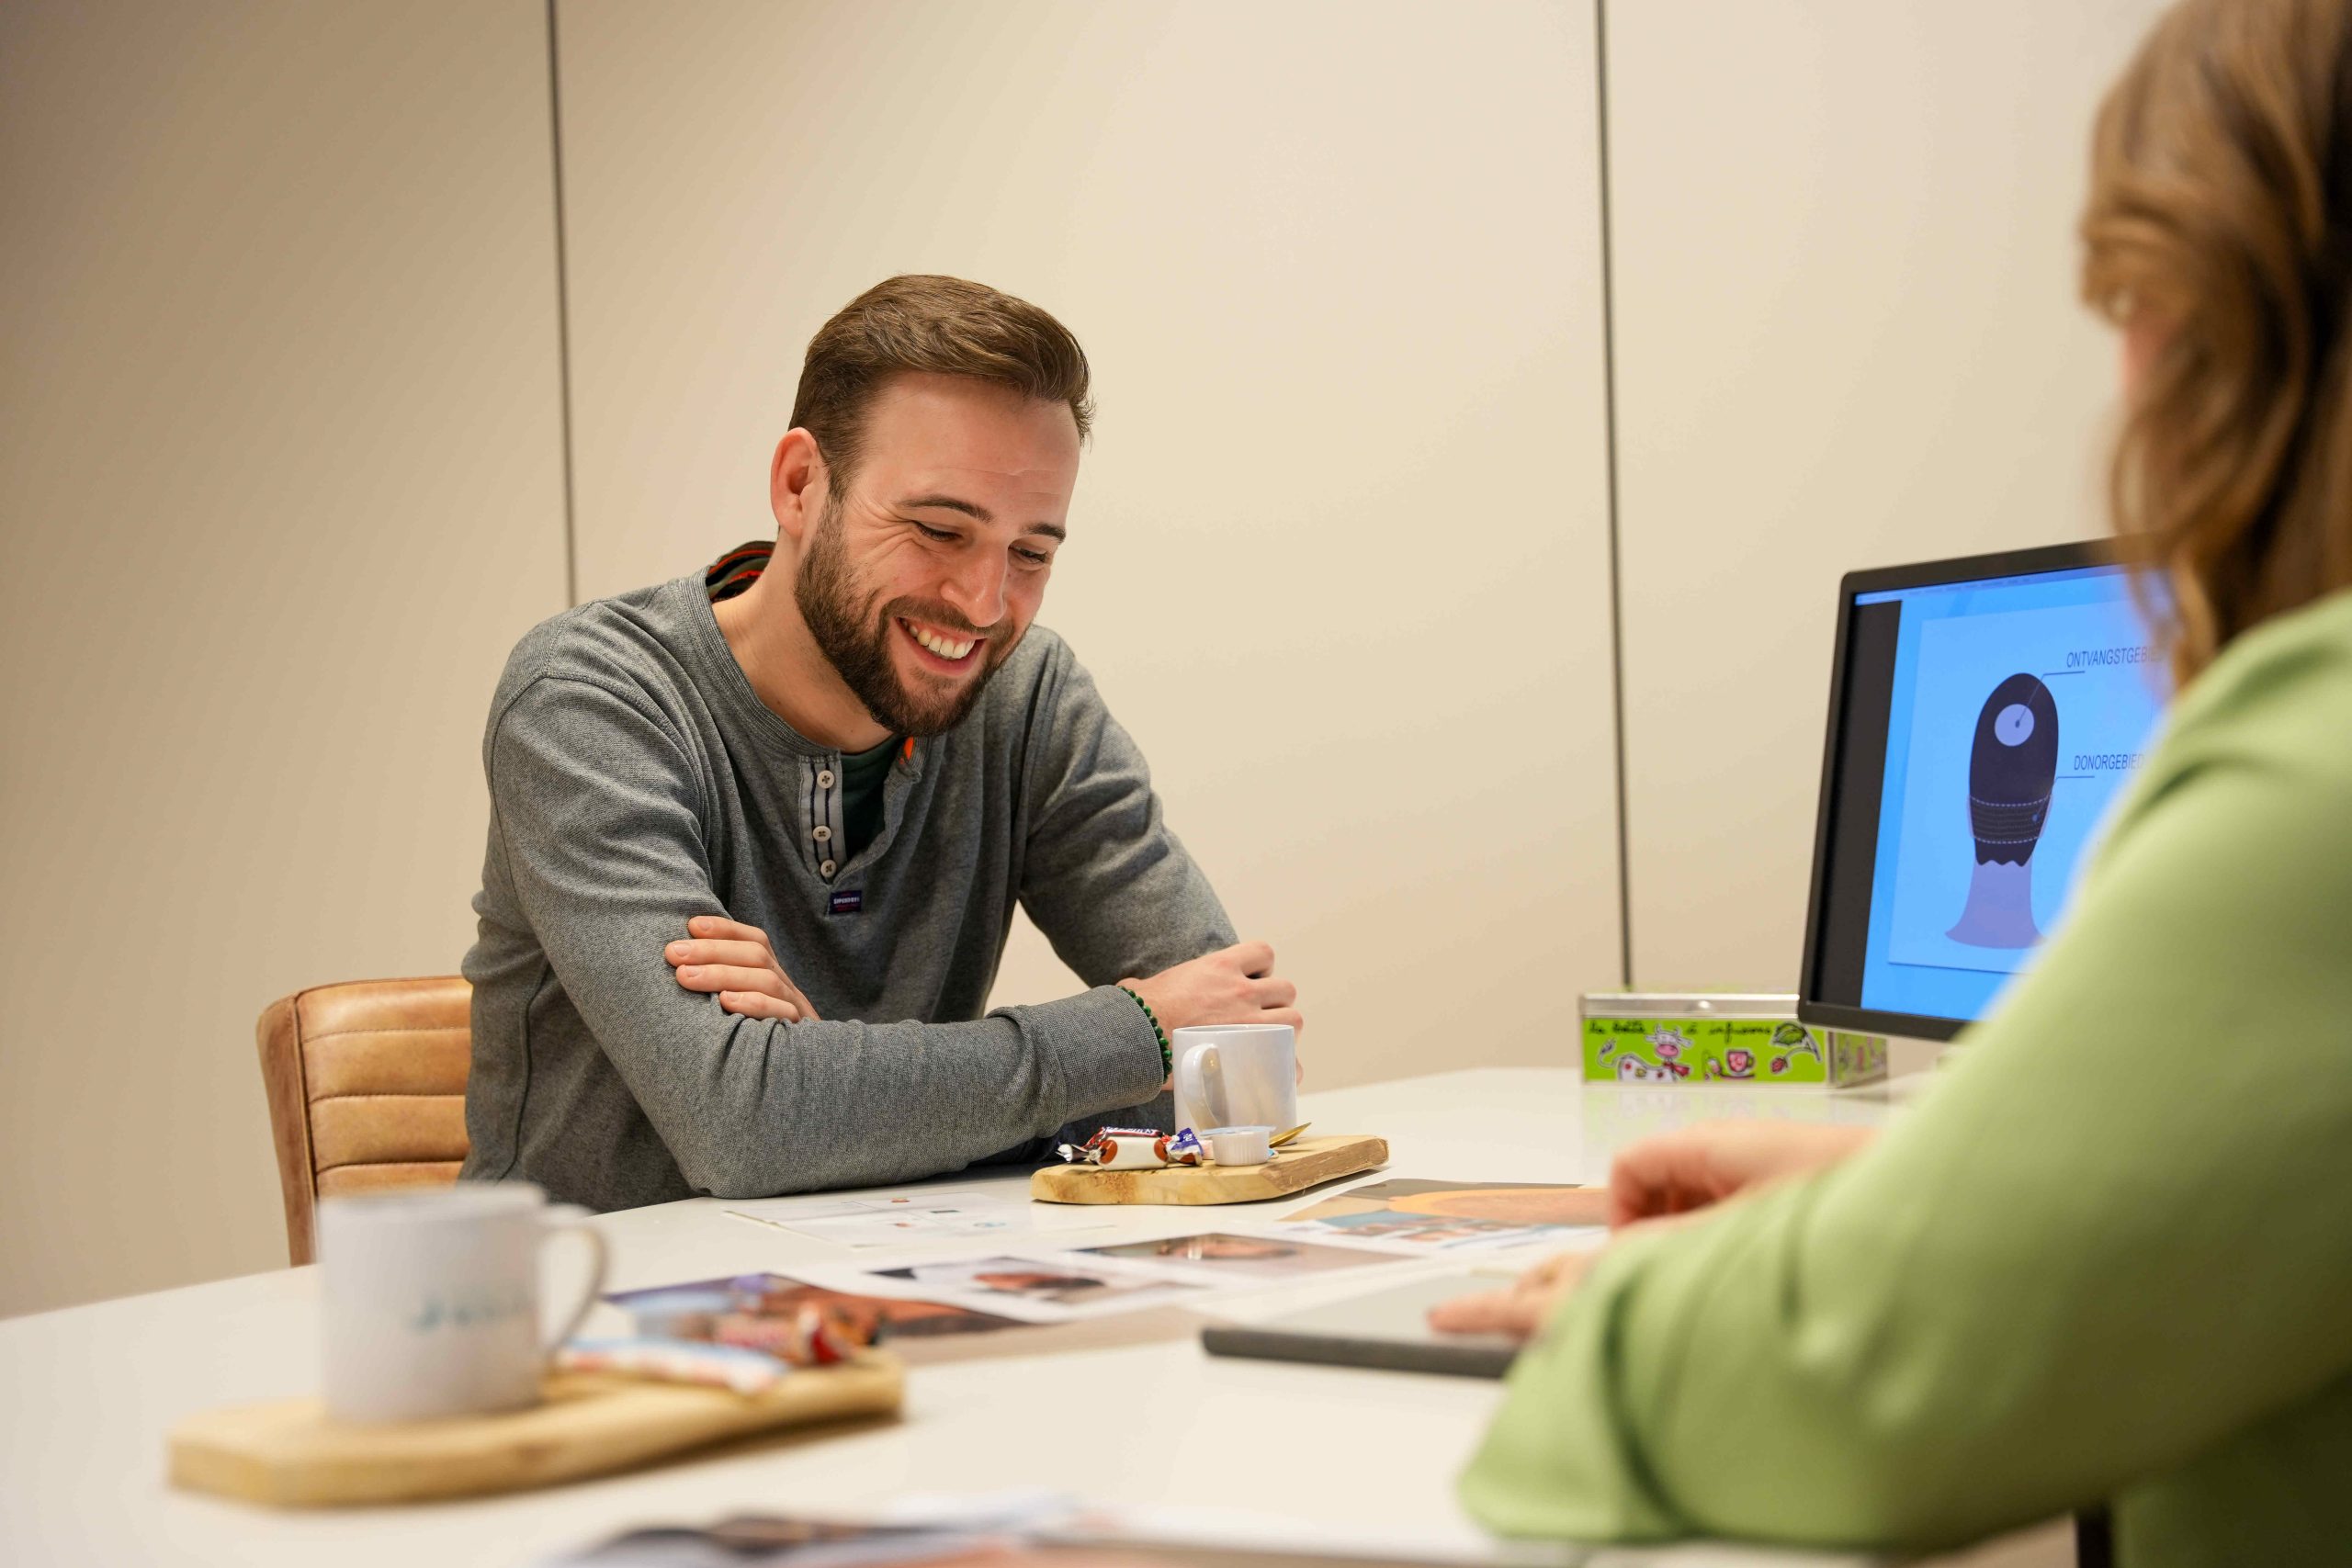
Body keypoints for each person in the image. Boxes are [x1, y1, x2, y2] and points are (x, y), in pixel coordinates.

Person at [1434, 1, 2352, 1561]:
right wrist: (1917, 1180)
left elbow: (1857, 1380)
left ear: (2234, 313)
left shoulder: (2317, 781)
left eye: (2134, 294)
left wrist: (1644, 1304)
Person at [458, 275, 1300, 1211]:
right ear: (798, 486)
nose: (984, 606)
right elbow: (745, 1126)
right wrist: (1134, 1030)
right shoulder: (589, 701)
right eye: (940, 530)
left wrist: (829, 1088)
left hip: (903, 1288)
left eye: (1031, 554)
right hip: (595, 1313)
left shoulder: (1026, 699)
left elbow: (1240, 1071)